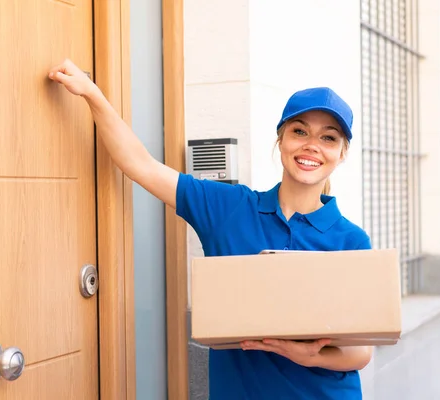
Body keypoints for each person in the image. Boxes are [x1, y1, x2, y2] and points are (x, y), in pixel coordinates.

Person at [48, 59, 373, 400]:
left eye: (329, 138)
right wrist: (92, 95)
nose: (312, 146)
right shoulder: (228, 208)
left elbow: (361, 352)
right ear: (281, 139)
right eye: (300, 131)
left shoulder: (350, 240)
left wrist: (308, 355)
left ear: (342, 153)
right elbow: (139, 164)